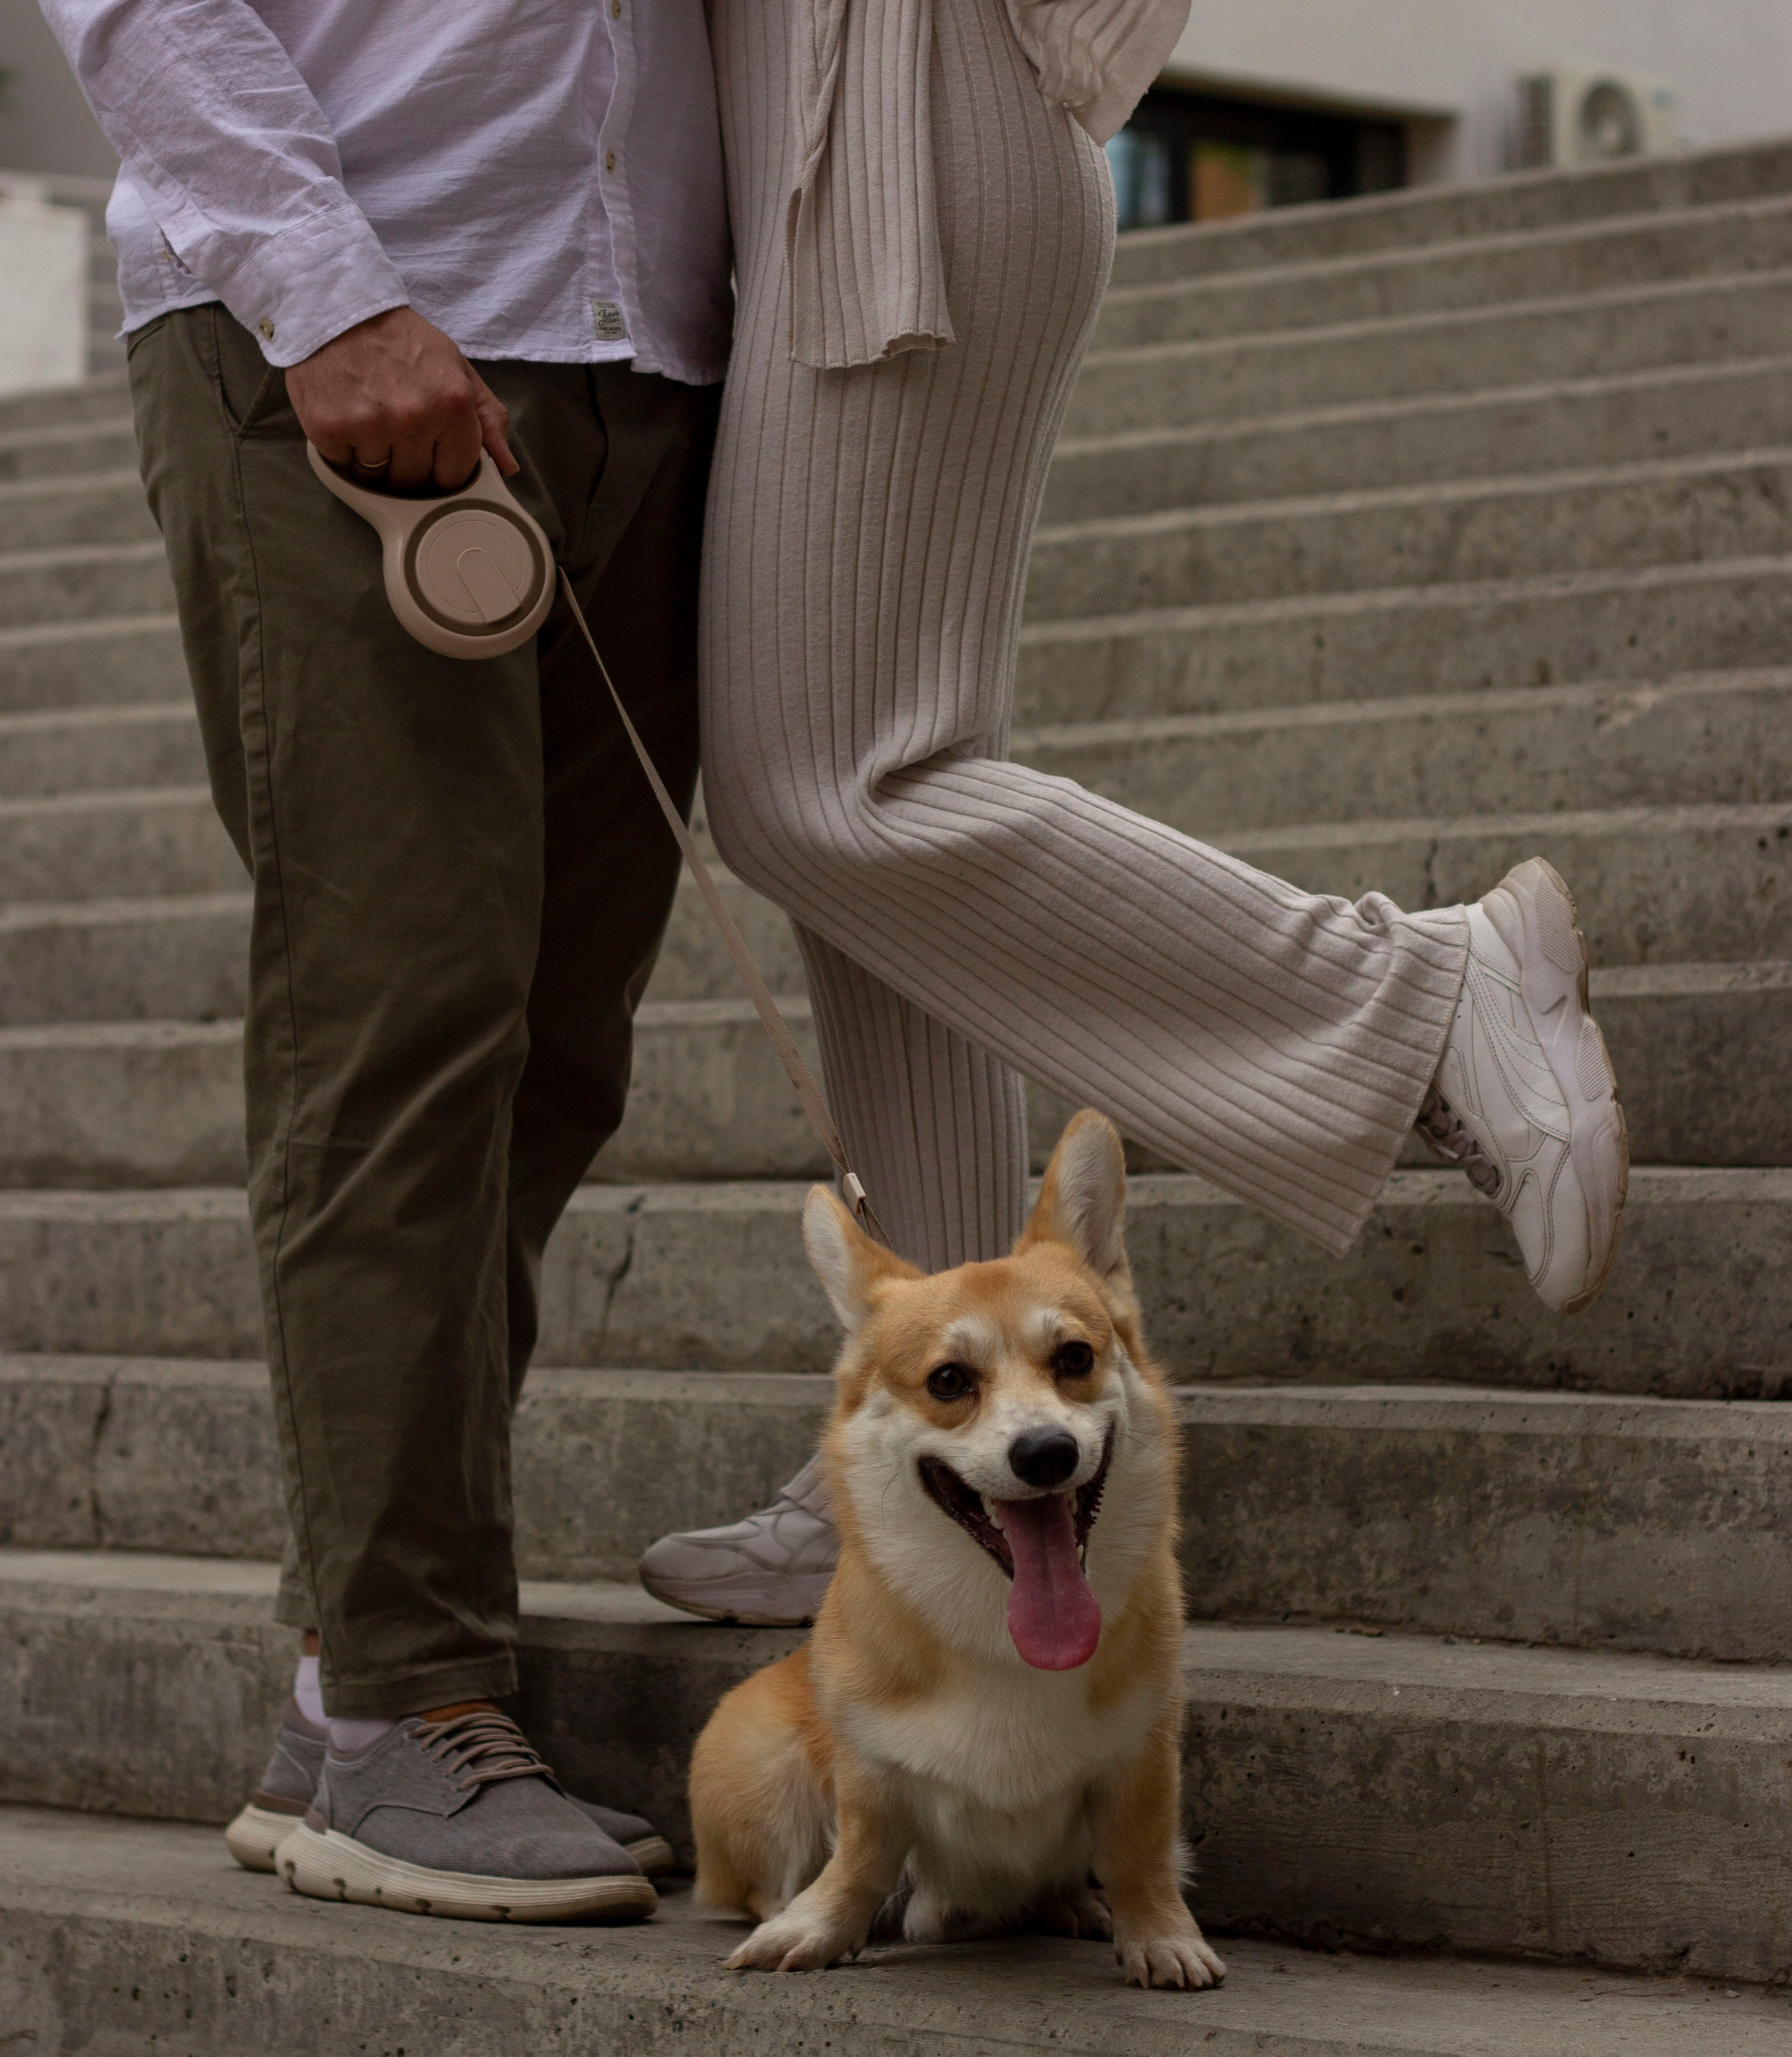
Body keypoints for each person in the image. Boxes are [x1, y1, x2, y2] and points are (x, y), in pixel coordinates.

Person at [636, 0, 1627, 1627]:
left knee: (827, 787)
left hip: (885, 107)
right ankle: (933, 1436)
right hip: (839, 131)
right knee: (878, 816)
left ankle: (1414, 994)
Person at [44, 0, 730, 1918]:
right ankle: (406, 1699)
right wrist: (326, 290)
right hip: (341, 333)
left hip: (651, 345)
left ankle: (353, 1679)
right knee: (402, 1016)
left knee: (554, 1048)